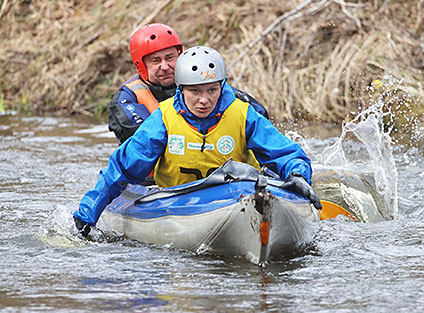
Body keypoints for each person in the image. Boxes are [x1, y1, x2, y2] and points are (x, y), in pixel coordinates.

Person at [73, 46, 321, 237]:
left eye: (211, 90)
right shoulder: (163, 118)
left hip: (240, 194)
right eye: (195, 91)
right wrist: (87, 214)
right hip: (177, 197)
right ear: (181, 89)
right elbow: (122, 168)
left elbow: (286, 153)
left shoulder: (244, 114)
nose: (204, 100)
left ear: (222, 86)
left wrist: (299, 175)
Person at [109, 23, 268, 145]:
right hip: (151, 179)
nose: (165, 66)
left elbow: (260, 115)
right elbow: (144, 142)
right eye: (155, 61)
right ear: (140, 65)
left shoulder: (202, 80)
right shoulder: (127, 98)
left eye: (170, 58)